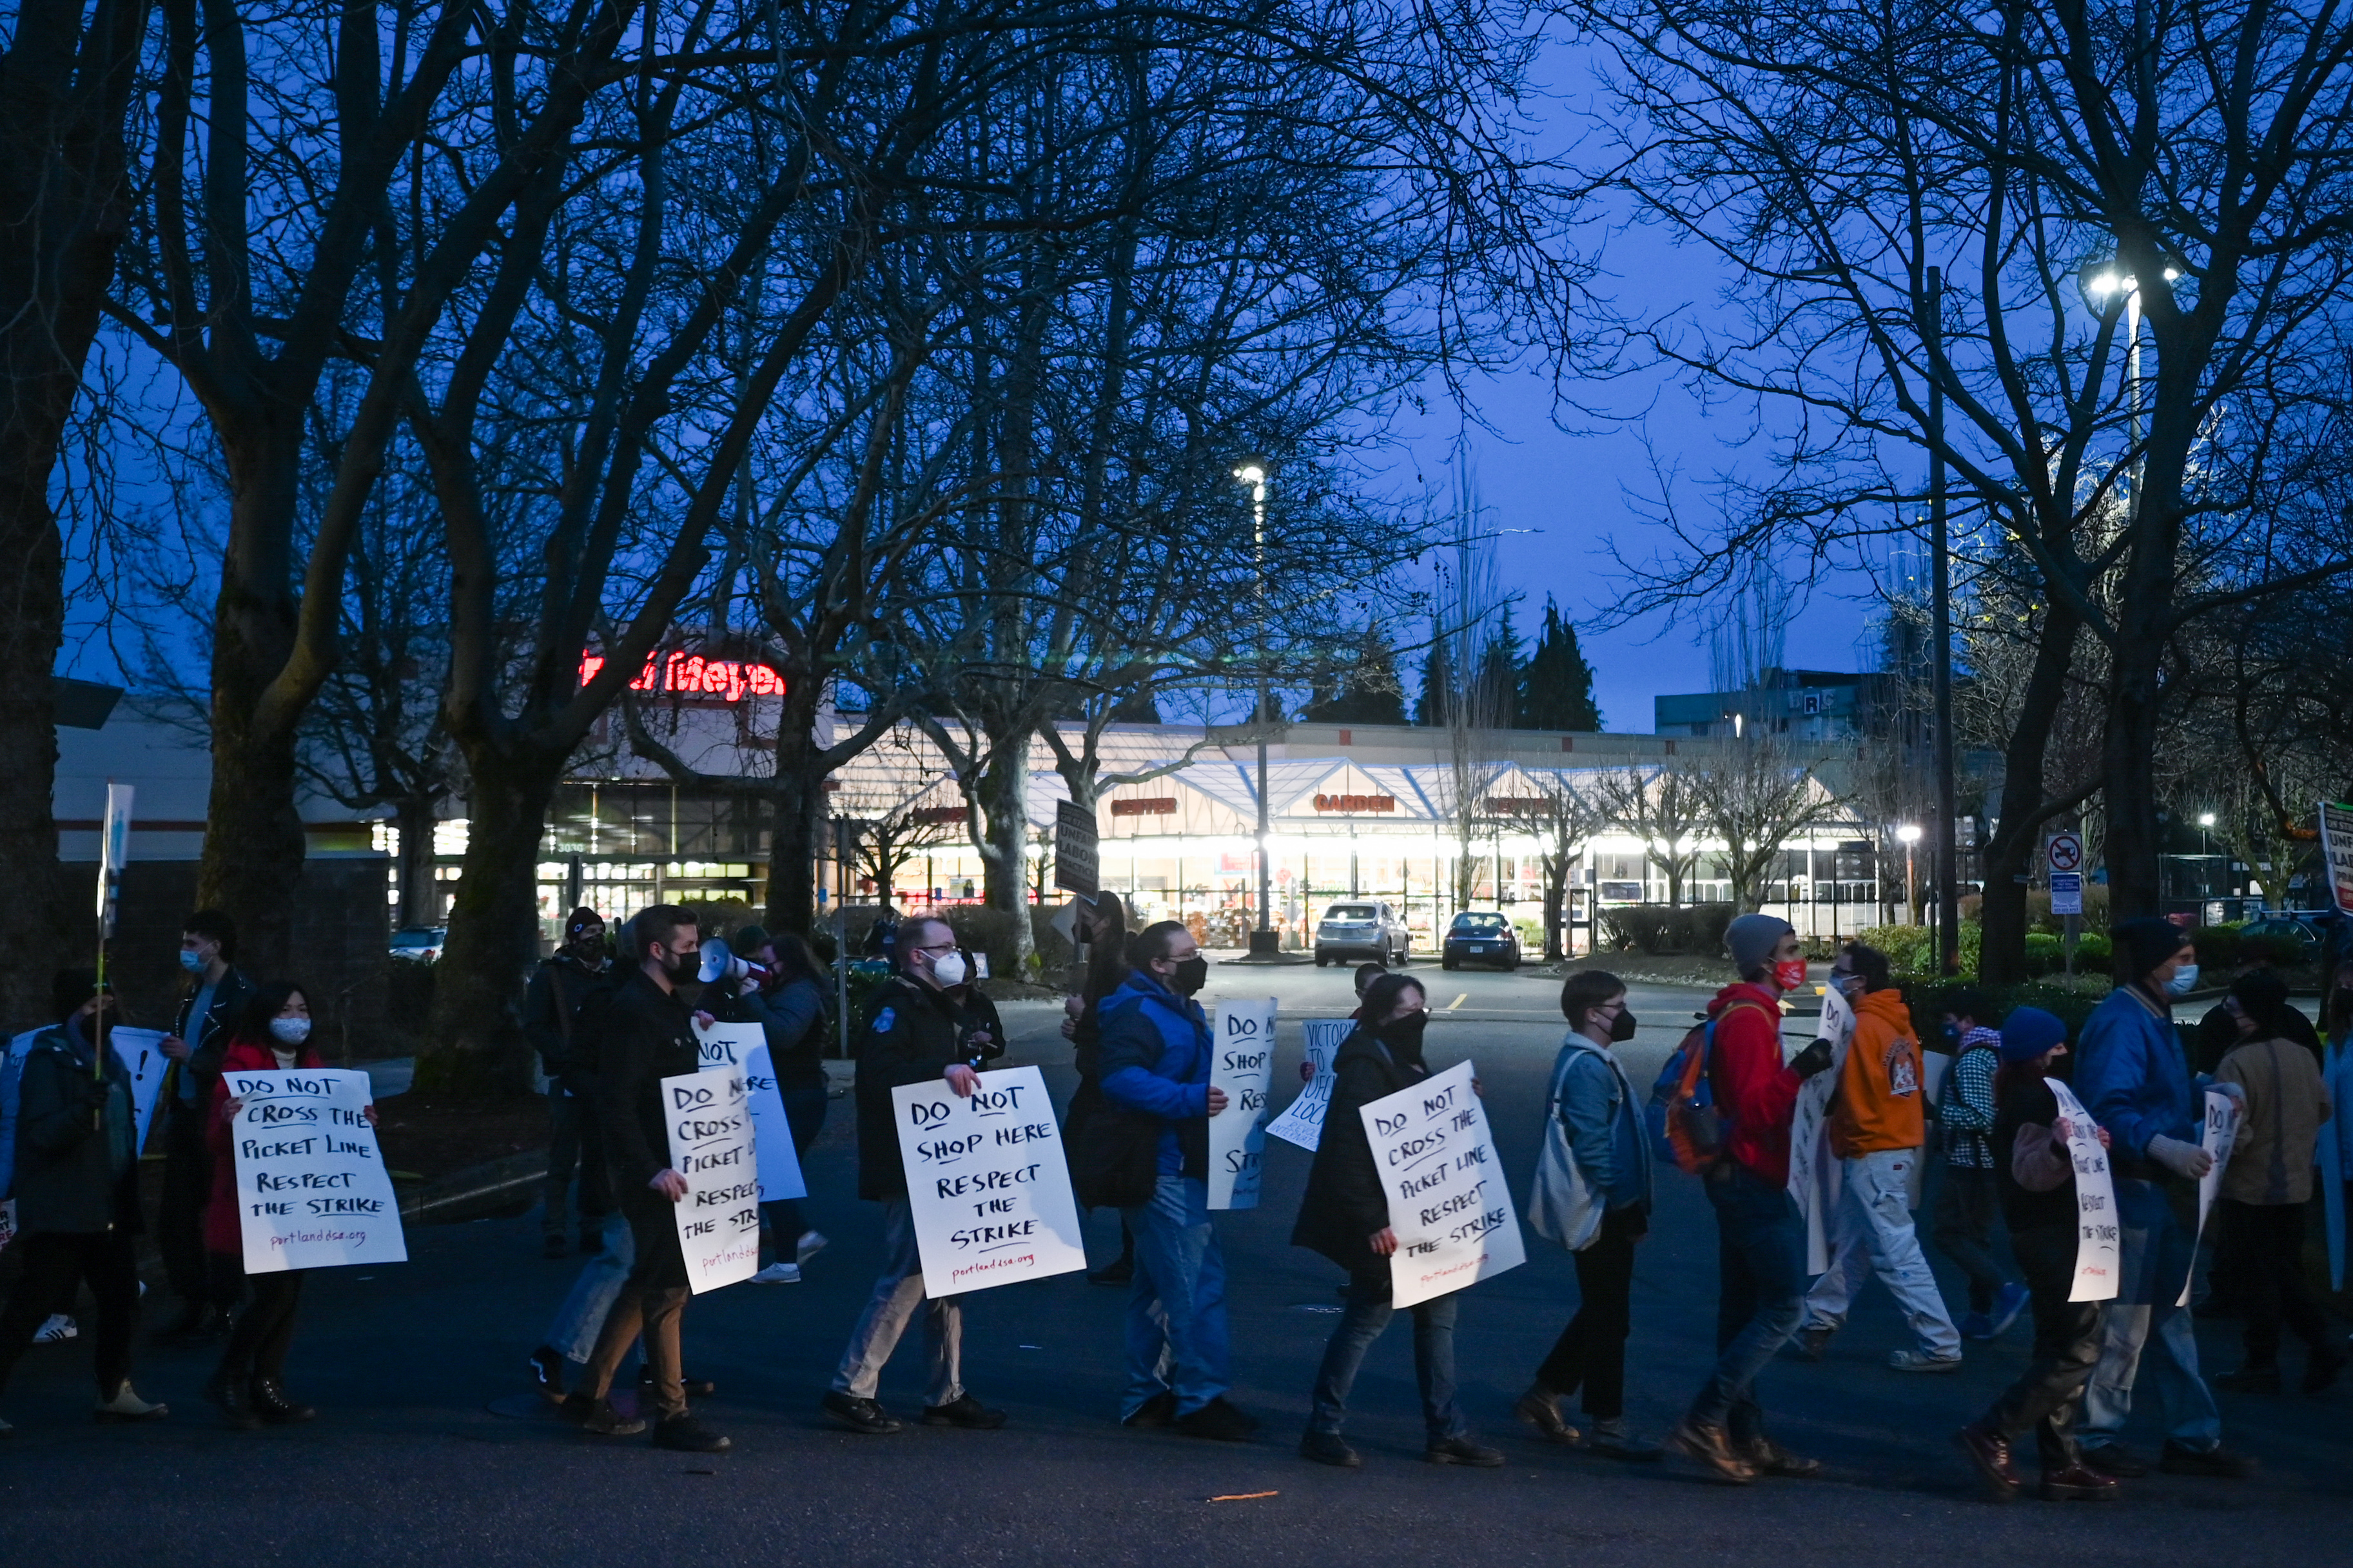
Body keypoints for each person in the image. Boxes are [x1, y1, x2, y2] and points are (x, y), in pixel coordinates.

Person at [1293, 972, 1503, 1469]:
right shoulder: (1365, 1066)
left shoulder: (1398, 1056)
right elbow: (1348, 1151)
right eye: (1409, 1010)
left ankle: (1445, 1433)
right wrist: (1371, 1220)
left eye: (1423, 1007)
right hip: (1388, 1224)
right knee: (1367, 1319)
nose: (1420, 1017)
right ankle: (1323, 1427)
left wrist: (1457, 1096)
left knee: (1437, 1322)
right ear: (1383, 1015)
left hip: (1418, 1219)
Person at [2074, 916, 2253, 1478]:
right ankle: (2101, 1434)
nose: (2189, 968)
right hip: (2131, 1188)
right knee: (2132, 1318)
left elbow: (2156, 1096)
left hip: (2151, 1188)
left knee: (2167, 1315)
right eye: (2182, 959)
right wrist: (2164, 1144)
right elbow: (2109, 1108)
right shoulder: (2126, 1022)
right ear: (2154, 964)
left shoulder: (2146, 1015)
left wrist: (2207, 1093)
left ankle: (2185, 1435)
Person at [821, 915, 1006, 1437]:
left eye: (955, 944)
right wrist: (940, 1072)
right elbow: (879, 1078)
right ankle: (850, 1386)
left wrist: (973, 1052)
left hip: (946, 1157)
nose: (954, 953)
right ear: (914, 955)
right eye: (943, 946)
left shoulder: (946, 1003)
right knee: (910, 1273)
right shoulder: (893, 1005)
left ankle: (945, 1390)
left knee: (952, 1273)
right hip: (908, 1160)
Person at [1671, 913, 1835, 1484]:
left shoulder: (1754, 1013)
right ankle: (1706, 1418)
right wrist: (1801, 1072)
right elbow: (1754, 1112)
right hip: (1750, 1178)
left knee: (1742, 1309)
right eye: (1791, 948)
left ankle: (1747, 1434)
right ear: (1765, 959)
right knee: (1786, 1305)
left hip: (1743, 1178)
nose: (1800, 958)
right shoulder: (1747, 1021)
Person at [562, 904, 731, 1454]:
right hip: (657, 1172)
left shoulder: (663, 1005)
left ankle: (591, 1396)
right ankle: (672, 1414)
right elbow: (616, 1098)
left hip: (670, 1166)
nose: (696, 954)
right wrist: (649, 1167)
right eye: (687, 946)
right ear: (657, 950)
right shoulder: (636, 1010)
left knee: (645, 1281)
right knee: (668, 1289)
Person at [1952, 1007, 2120, 1504]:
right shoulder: (2036, 1097)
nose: (2063, 1051)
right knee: (2079, 1347)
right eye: (2058, 1044)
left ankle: (2061, 1462)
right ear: (2044, 1050)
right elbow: (2031, 1170)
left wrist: (2087, 1144)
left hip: (2047, 1236)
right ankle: (1995, 1430)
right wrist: (2062, 1148)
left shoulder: (2025, 1092)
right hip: (2060, 1238)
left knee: (2056, 1346)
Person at [1095, 919, 1253, 1440]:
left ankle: (1145, 1396)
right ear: (1158, 965)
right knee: (1196, 1286)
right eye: (1187, 954)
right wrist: (1190, 1100)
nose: (1198, 959)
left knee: (1156, 1289)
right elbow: (1118, 1077)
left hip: (1173, 1161)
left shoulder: (1179, 1008)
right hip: (1161, 1166)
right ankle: (1200, 1399)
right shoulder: (1142, 1012)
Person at [0, 971, 167, 1433]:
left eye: (109, 1003)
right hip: (62, 1206)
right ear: (72, 1010)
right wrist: (82, 1111)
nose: (104, 1013)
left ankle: (114, 1389)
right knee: (33, 1303)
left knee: (120, 1299)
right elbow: (40, 1135)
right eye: (94, 1006)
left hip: (106, 1203)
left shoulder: (110, 1060)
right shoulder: (47, 1060)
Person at [200, 982, 369, 1428]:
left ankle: (267, 1382)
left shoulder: (312, 1063)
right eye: (286, 1010)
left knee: (291, 1292)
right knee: (274, 1293)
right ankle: (230, 1375)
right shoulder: (241, 1064)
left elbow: (330, 1120)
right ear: (265, 1016)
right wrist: (226, 1120)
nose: (296, 1018)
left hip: (300, 1199)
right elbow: (216, 1141)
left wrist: (359, 1119)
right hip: (254, 1203)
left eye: (302, 1008)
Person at [1797, 942, 1964, 1371]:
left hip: (1872, 1149)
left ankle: (1940, 1341)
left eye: (1840, 970)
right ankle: (1819, 1319)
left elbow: (1851, 1096)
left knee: (1894, 1250)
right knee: (1861, 1245)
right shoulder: (1899, 1026)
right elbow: (1910, 1085)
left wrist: (1841, 1139)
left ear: (1860, 981)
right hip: (1897, 1146)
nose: (1833, 976)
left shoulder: (1863, 1027)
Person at [1517, 970, 1660, 1460]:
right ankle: (1608, 1424)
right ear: (1592, 1013)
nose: (1625, 1014)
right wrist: (1627, 1206)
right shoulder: (1587, 1068)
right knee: (1609, 1317)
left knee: (1605, 1309)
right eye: (1618, 1006)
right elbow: (1594, 1147)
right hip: (1601, 1208)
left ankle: (1545, 1395)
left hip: (1608, 1205)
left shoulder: (1593, 1060)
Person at [2211, 969, 2342, 1394]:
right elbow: (2323, 1106)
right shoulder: (2301, 1054)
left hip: (2249, 1187)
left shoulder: (2235, 1061)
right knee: (2286, 1269)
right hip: (2295, 1183)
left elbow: (2234, 1132)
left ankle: (2266, 1359)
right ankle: (2318, 1344)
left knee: (2258, 1276)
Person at [153, 909, 254, 1347]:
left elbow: (243, 1064)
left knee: (218, 1215)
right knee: (176, 1216)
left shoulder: (241, 997)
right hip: (188, 1116)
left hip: (216, 1121)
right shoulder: (194, 994)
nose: (186, 952)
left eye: (193, 943)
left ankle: (222, 1302)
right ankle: (194, 1298)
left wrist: (192, 1058)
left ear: (216, 946)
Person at [715, 925, 830, 1283]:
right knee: (771, 1176)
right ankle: (794, 1249)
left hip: (798, 1098)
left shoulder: (800, 993)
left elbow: (782, 1035)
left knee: (771, 1177)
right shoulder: (791, 990)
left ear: (789, 963)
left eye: (767, 963)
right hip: (788, 1095)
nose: (760, 969)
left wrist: (752, 997)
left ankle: (793, 1251)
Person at [1931, 990, 2029, 1342]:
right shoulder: (1997, 1053)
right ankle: (1979, 1314)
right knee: (1977, 1237)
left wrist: (1938, 1113)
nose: (1946, 1028)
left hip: (1970, 1163)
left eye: (1949, 1022)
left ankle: (2006, 1290)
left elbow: (1981, 1116)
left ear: (1968, 1021)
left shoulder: (1972, 1060)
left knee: (1947, 1234)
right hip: (1990, 1163)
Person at [523, 907, 614, 1259]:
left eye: (600, 932)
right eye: (589, 933)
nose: (596, 940)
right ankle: (556, 1228)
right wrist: (564, 1055)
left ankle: (592, 1225)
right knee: (562, 1156)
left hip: (602, 1079)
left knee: (597, 1156)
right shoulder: (553, 978)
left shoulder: (609, 979)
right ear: (574, 938)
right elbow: (535, 1026)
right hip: (566, 1078)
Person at [1060, 896, 1140, 1284]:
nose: (1079, 926)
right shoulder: (1101, 959)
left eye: (1086, 917)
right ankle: (1134, 1248)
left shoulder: (1119, 963)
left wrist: (1086, 1016)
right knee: (1086, 1148)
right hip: (1099, 1071)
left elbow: (1123, 1020)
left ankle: (1135, 1249)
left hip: (1110, 1075)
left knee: (1098, 1152)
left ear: (1105, 921)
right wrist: (1081, 1029)